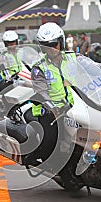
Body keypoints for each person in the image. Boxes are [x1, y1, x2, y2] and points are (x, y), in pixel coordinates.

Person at [26, 22, 76, 162]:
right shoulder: (39, 68)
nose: (52, 49)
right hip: (52, 112)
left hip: (76, 107)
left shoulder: (72, 58)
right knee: (50, 143)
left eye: (55, 44)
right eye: (47, 46)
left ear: (61, 42)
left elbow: (91, 68)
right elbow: (41, 92)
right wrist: (52, 108)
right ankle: (47, 163)